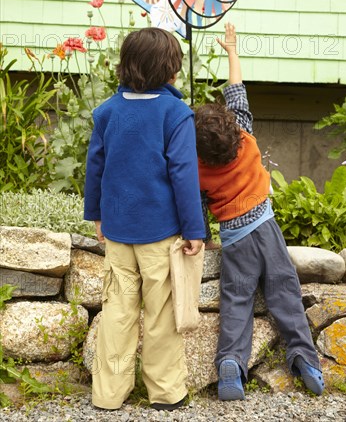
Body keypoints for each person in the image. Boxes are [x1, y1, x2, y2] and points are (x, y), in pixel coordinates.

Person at [195, 23, 325, 401]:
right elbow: (236, 90)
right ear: (234, 128)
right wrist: (232, 49)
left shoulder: (197, 171)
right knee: (285, 291)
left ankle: (232, 364)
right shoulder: (246, 132)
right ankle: (305, 358)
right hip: (267, 228)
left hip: (235, 241)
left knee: (237, 301)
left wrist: (202, 240)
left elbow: (197, 209)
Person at [84, 27, 205, 411]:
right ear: (171, 70)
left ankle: (108, 395)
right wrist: (194, 229)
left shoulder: (107, 112)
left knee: (117, 313)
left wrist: (96, 215)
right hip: (161, 235)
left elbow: (95, 168)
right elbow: (184, 174)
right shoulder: (176, 114)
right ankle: (166, 393)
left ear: (126, 66)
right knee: (161, 316)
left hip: (119, 234)